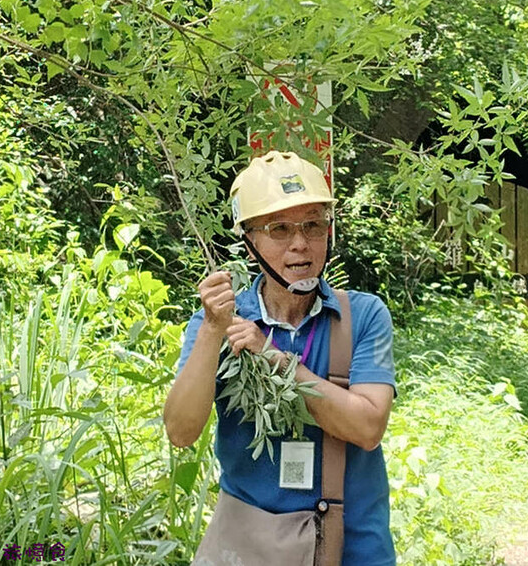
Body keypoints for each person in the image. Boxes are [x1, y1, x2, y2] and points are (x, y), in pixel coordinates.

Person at [164, 150, 396, 565]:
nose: (300, 244)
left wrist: (273, 357)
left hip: (354, 549)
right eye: (279, 229)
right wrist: (214, 330)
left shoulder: (362, 316)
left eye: (313, 225)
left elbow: (367, 427)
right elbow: (181, 432)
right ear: (249, 241)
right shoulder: (218, 323)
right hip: (251, 549)